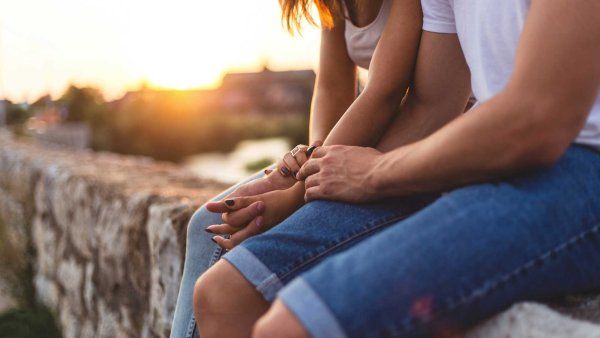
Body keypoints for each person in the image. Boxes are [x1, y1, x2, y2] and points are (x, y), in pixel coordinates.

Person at [194, 0, 600, 337]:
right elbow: (434, 105)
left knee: (290, 328)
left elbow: (536, 120)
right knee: (225, 293)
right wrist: (319, 176)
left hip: (579, 165)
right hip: (484, 155)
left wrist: (374, 173)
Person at [171, 0, 459, 336]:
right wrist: (309, 155)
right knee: (207, 222)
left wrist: (299, 191)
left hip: (416, 149)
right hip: (361, 145)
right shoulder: (337, 4)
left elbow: (384, 91)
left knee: (232, 274)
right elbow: (332, 87)